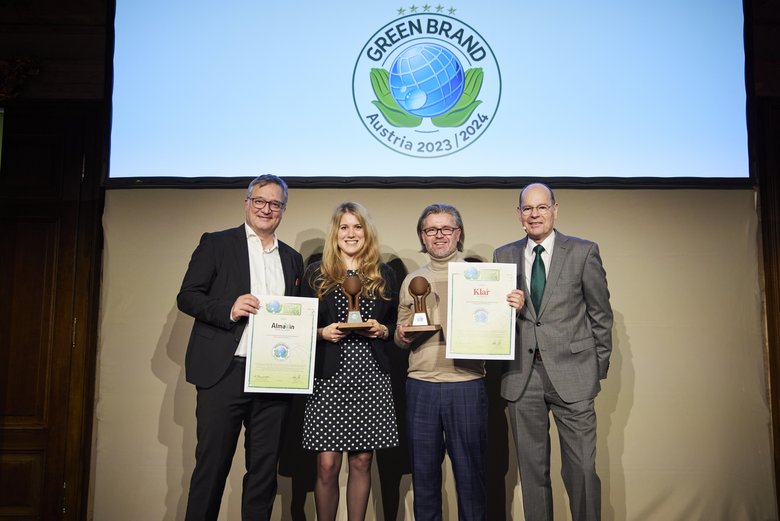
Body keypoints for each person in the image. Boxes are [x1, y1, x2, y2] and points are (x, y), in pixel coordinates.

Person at [177, 174, 304, 521]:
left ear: (283, 210)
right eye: (260, 201)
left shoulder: (292, 259)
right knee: (212, 467)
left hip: (273, 375)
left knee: (264, 473)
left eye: (275, 203)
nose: (267, 209)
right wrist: (228, 309)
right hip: (225, 371)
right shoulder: (217, 244)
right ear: (247, 203)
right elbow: (187, 297)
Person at [394, 204, 524, 521]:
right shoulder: (412, 280)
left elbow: (500, 327)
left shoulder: (482, 277)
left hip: (467, 386)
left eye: (446, 228)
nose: (439, 235)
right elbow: (399, 338)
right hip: (421, 387)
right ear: (422, 237)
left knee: (471, 479)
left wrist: (513, 307)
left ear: (458, 233)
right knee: (424, 480)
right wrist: (402, 335)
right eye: (431, 230)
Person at [493, 183, 613, 521]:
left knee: (582, 472)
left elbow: (601, 316)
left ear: (555, 210)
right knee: (532, 474)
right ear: (519, 215)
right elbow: (492, 317)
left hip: (574, 376)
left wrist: (595, 369)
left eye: (541, 208)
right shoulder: (503, 255)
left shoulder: (583, 252)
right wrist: (508, 309)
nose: (535, 215)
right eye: (528, 209)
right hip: (521, 377)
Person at [301, 201, 400, 521]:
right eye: (344, 227)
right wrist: (320, 332)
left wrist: (384, 329)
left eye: (357, 226)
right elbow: (298, 324)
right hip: (329, 376)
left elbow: (400, 323)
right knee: (327, 465)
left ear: (366, 232)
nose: (351, 233)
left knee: (361, 461)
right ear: (335, 233)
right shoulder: (316, 273)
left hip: (371, 375)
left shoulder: (384, 274)